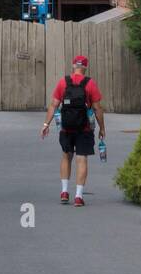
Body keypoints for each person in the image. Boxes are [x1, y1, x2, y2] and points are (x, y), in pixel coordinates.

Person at [41, 53, 105, 207]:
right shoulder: (90, 84)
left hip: (66, 128)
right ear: (85, 67)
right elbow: (97, 109)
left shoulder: (63, 82)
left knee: (66, 157)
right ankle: (78, 196)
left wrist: (46, 124)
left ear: (73, 66)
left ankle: (64, 192)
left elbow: (54, 105)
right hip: (84, 128)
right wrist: (102, 128)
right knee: (81, 159)